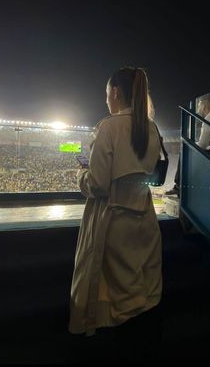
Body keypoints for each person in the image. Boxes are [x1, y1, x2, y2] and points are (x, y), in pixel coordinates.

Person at [68, 67, 163, 364]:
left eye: (106, 93)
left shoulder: (108, 127)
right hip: (144, 220)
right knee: (140, 292)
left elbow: (96, 184)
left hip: (112, 223)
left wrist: (80, 174)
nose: (106, 99)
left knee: (114, 302)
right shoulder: (152, 128)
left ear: (116, 92)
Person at [165, 94, 210, 197]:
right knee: (193, 150)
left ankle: (179, 186)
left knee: (184, 150)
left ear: (203, 105)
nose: (198, 107)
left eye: (199, 104)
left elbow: (202, 145)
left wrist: (190, 143)